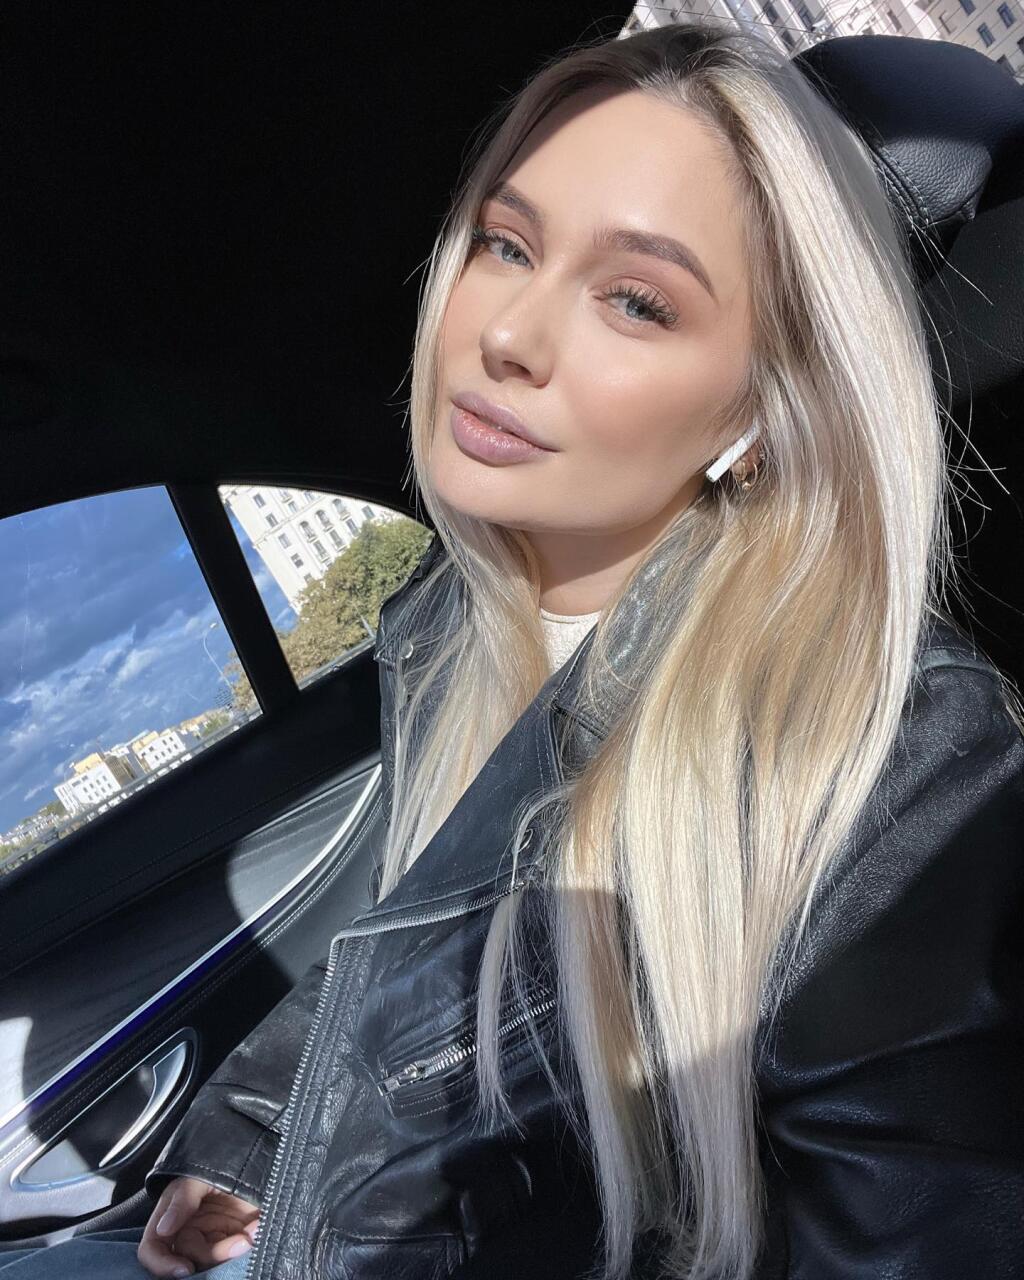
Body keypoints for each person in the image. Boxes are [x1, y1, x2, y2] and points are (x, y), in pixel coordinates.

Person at [9, 15, 1024, 1280]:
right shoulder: (446, 627)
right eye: (506, 243)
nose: (507, 334)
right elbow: (414, 938)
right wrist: (258, 1144)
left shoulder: (892, 746)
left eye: (637, 300)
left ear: (762, 412)